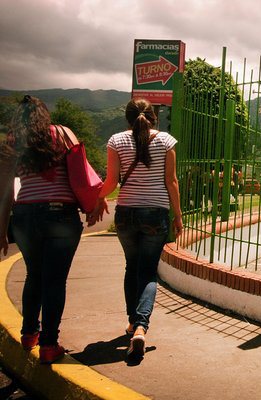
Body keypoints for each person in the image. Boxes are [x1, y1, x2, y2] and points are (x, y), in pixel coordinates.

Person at [91, 98, 183, 360]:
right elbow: (171, 181)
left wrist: (97, 199)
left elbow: (110, 181)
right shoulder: (166, 141)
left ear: (128, 118)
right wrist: (178, 216)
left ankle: (133, 323)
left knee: (132, 268)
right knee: (148, 273)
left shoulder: (116, 141)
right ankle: (141, 326)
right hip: (156, 214)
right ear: (153, 116)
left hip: (126, 214)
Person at [0, 95, 84, 364]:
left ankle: (29, 335)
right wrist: (92, 204)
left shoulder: (13, 141)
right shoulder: (63, 133)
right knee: (55, 280)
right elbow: (80, 174)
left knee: (34, 275)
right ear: (44, 114)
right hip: (60, 213)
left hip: (24, 216)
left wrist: (2, 229)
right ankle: (49, 344)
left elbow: (3, 192)